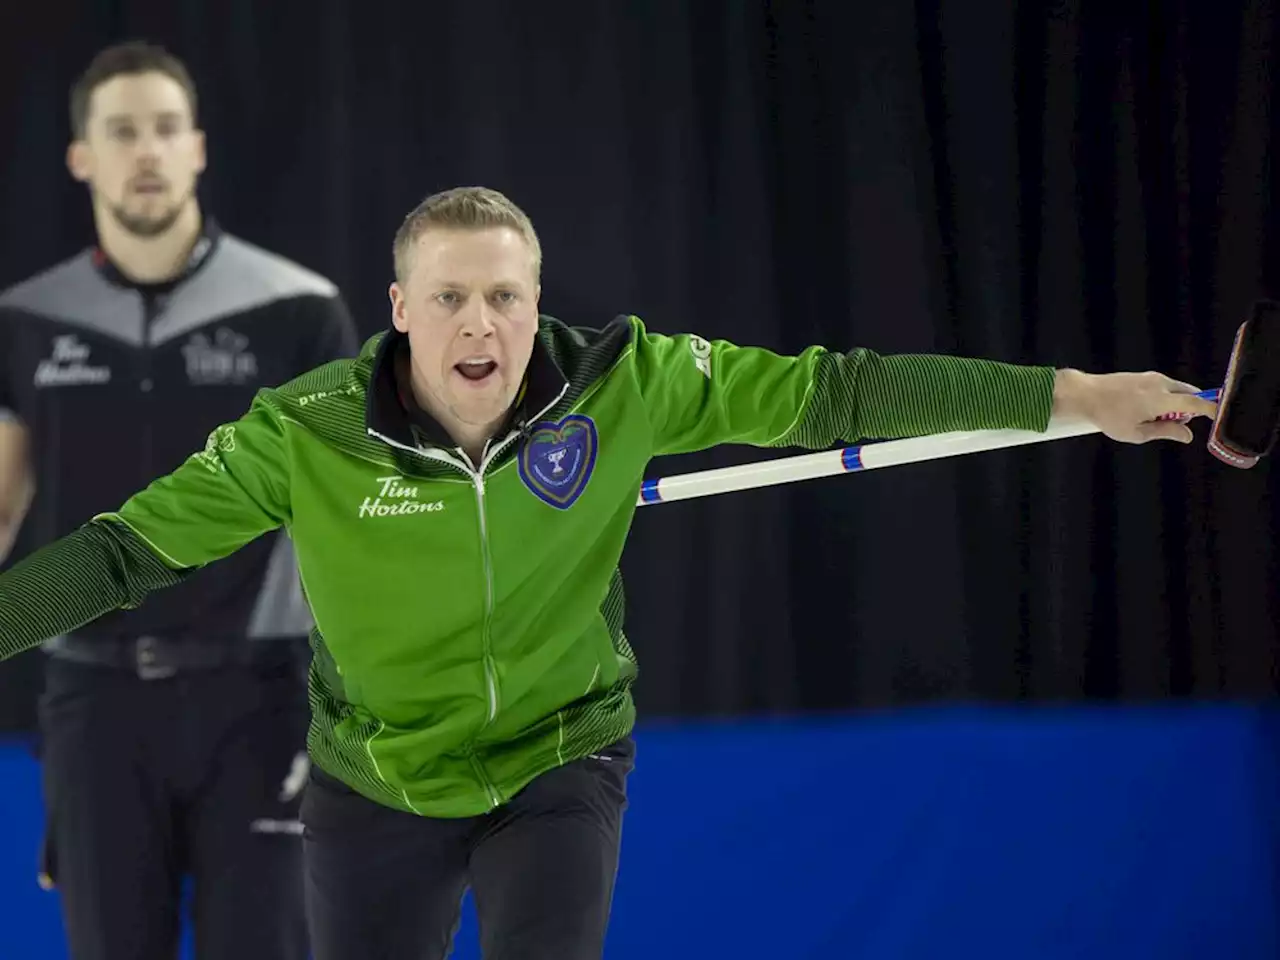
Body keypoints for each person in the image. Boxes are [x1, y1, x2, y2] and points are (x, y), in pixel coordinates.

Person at [0, 185, 1217, 959]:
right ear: (400, 309)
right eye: (450, 298)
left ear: (535, 301)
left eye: (505, 296)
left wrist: (1082, 398)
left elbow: (830, 391)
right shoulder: (303, 433)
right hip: (374, 777)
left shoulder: (623, 384)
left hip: (557, 753)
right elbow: (118, 553)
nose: (482, 325)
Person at [0, 41, 359, 960]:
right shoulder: (26, 320)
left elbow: (353, 522)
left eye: (166, 129)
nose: (147, 152)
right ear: (82, 156)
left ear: (198, 147)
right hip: (94, 706)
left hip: (262, 698)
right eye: (122, 132)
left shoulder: (298, 309)